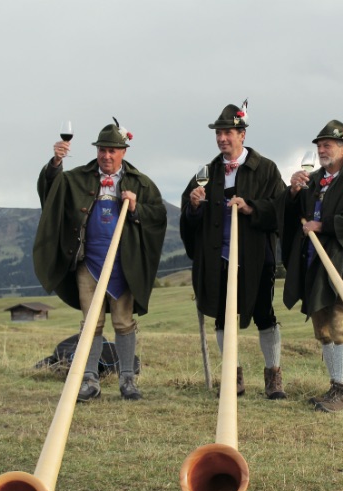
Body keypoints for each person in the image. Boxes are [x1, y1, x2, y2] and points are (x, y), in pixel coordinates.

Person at [34, 118, 167, 402]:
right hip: (89, 264)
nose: (106, 155)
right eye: (102, 150)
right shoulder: (76, 179)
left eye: (112, 150)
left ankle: (127, 380)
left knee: (123, 322)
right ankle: (89, 380)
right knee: (91, 323)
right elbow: (51, 191)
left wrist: (136, 207)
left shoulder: (141, 183)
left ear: (123, 152)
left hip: (123, 265)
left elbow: (158, 216)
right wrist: (55, 163)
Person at [180, 101, 286, 399]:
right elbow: (189, 218)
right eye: (218, 133)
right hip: (219, 258)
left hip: (256, 257)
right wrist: (194, 205)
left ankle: (273, 376)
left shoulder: (266, 169)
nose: (222, 138)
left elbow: (280, 209)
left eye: (228, 133)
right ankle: (232, 377)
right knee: (222, 316)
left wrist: (252, 207)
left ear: (242, 135)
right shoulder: (207, 171)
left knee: (264, 314)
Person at [277, 119, 343, 412]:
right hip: (314, 263)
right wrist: (293, 192)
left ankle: (342, 392)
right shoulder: (313, 181)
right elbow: (294, 214)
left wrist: (324, 225)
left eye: (328, 145)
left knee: (340, 326)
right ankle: (334, 387)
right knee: (322, 328)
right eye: (319, 145)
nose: (322, 150)